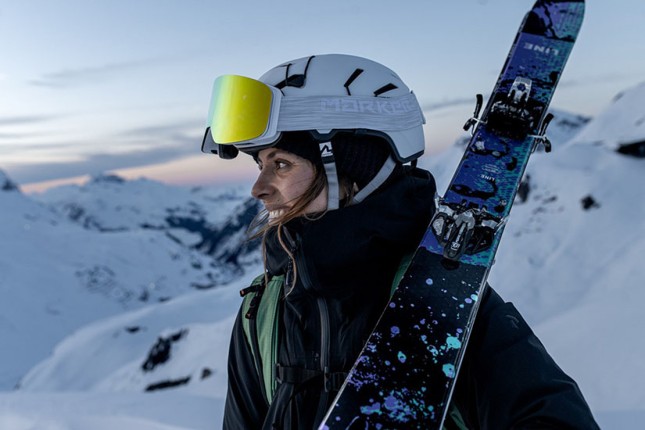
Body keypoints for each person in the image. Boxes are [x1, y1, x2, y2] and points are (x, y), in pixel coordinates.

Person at [201, 54, 599, 429]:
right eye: (260, 164)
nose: (258, 188)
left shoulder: (441, 299)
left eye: (281, 164)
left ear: (353, 167)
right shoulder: (263, 312)